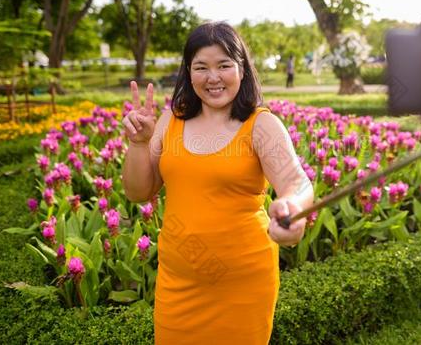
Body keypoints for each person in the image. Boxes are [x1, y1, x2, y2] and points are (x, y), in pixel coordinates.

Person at [121, 22, 313, 345]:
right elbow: (139, 191)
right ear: (188, 72)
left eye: (224, 65)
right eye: (201, 67)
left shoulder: (261, 125)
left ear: (242, 69)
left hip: (243, 285)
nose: (213, 78)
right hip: (177, 282)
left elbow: (297, 182)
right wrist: (140, 144)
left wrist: (293, 207)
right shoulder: (171, 121)